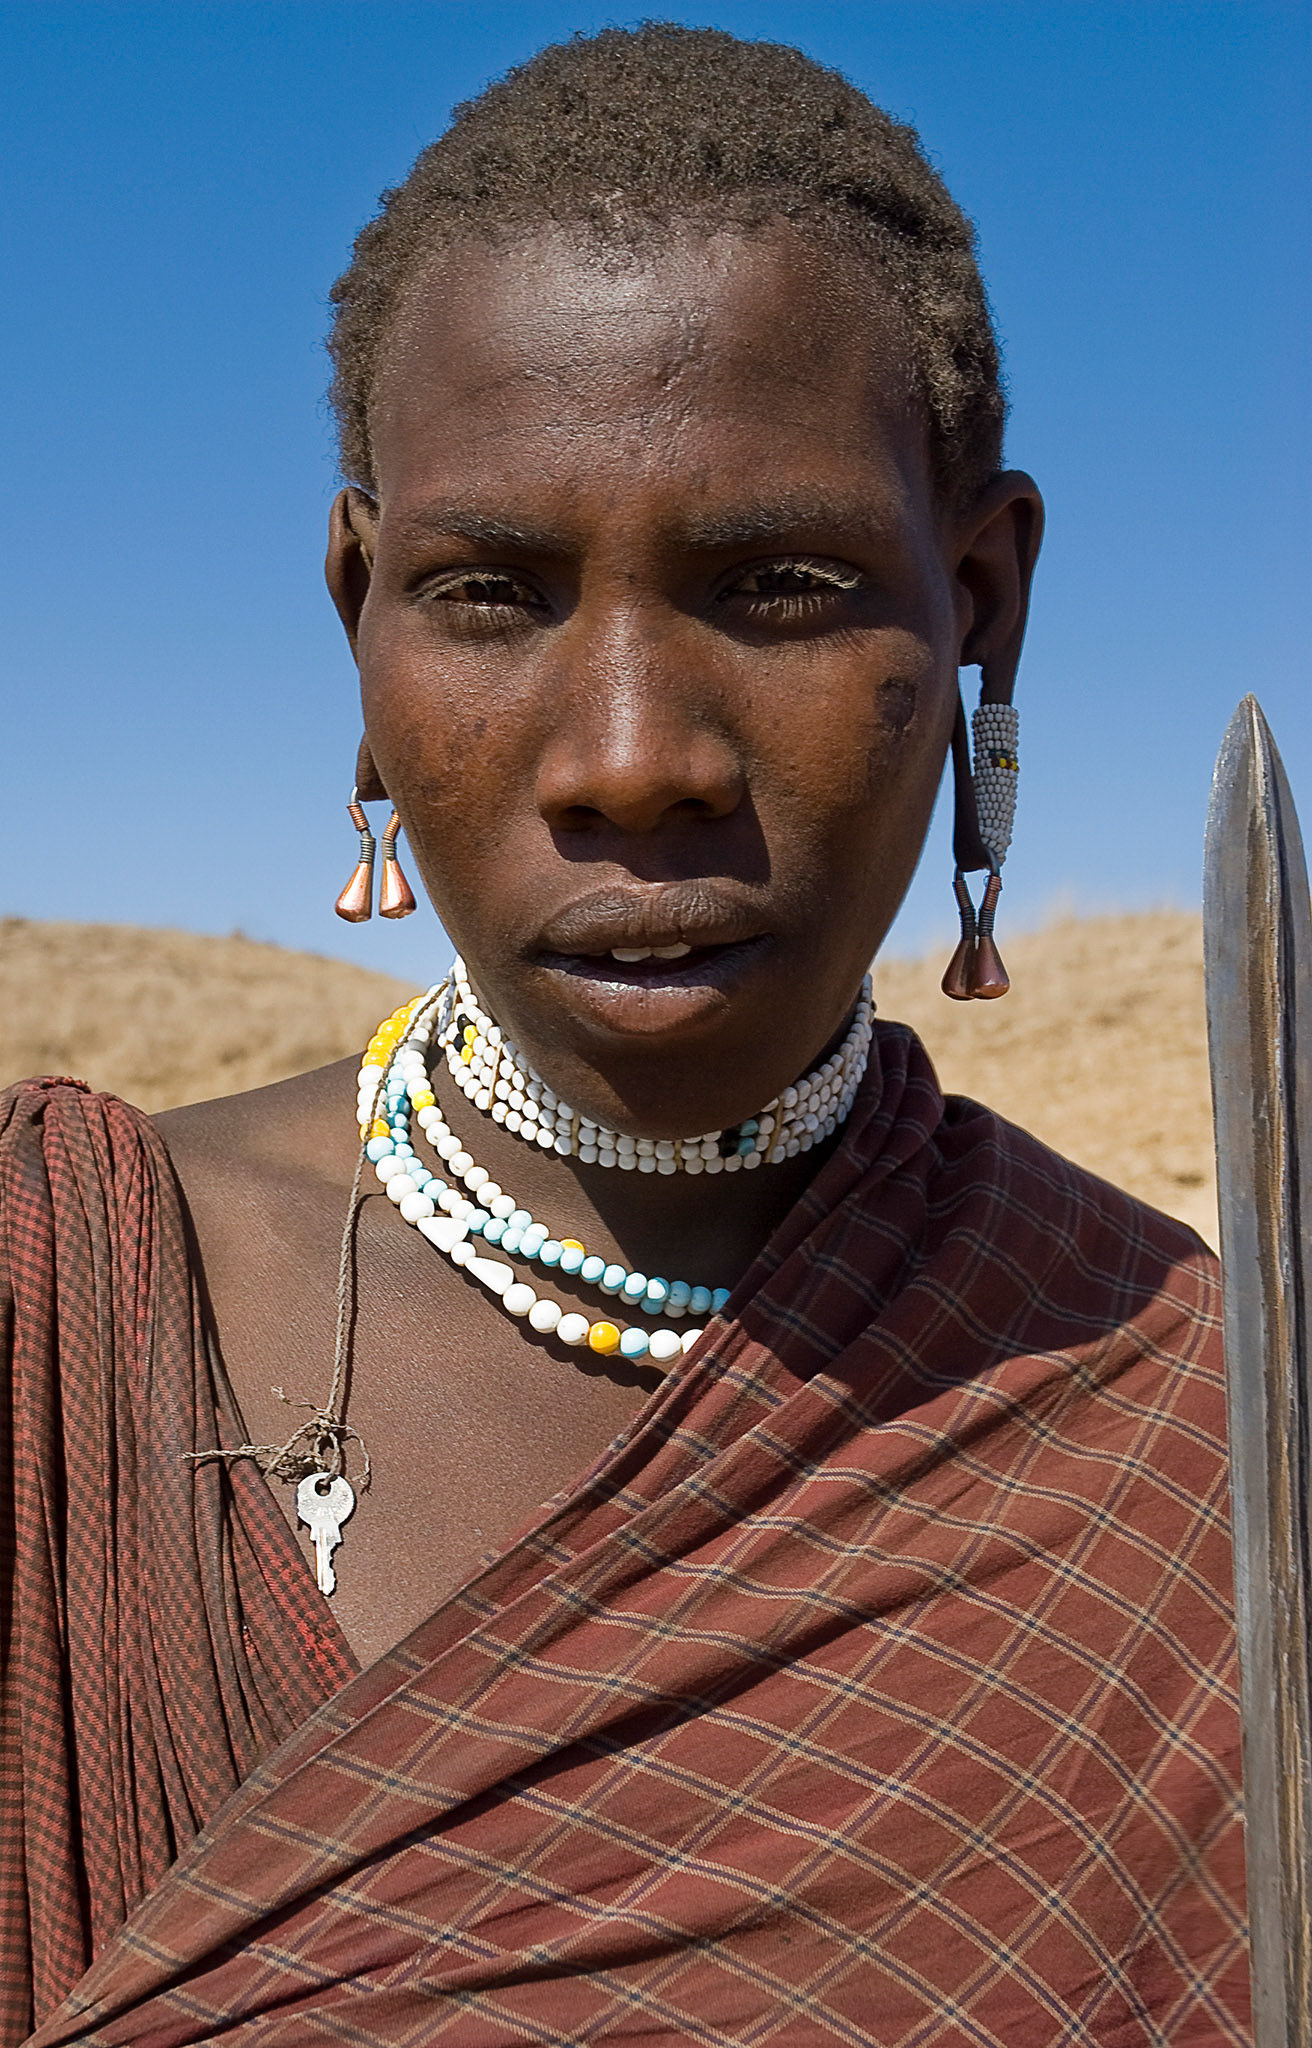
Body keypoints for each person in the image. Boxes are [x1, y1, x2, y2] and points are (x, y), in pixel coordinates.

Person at [0, 24, 1248, 2046]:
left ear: (979, 602)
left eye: (782, 584)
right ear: (358, 613)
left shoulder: (1180, 1427)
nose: (631, 759)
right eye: (490, 592)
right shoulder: (51, 1301)